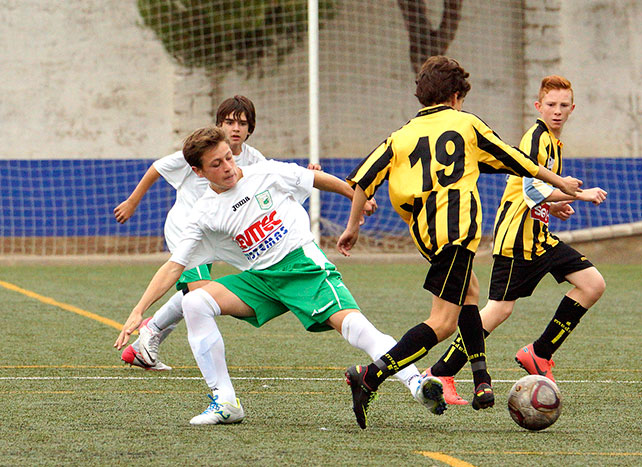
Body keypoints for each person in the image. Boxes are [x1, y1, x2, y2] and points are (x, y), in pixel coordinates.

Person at [114, 126, 446, 427]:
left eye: (228, 157)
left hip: (302, 268)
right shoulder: (204, 211)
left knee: (355, 327)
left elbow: (315, 179)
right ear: (198, 172)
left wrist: (354, 198)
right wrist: (139, 310)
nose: (228, 167)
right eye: (216, 164)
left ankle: (417, 384)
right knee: (195, 302)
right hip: (260, 279)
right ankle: (226, 402)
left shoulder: (266, 172)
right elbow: (175, 265)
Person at [336, 56, 583, 427]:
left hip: (425, 234)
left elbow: (362, 180)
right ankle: (369, 376)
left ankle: (482, 381)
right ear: (455, 97)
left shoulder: (401, 135)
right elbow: (516, 159)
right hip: (457, 229)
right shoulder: (466, 123)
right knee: (442, 323)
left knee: (470, 292)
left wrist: (353, 226)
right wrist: (561, 182)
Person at [114, 96, 320, 370]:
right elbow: (157, 168)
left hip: (221, 235)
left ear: (250, 128)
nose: (235, 128)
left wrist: (307, 178)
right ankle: (153, 332)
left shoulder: (254, 159)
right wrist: (132, 202)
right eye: (229, 122)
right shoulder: (199, 152)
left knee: (219, 291)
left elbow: (272, 189)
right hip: (187, 229)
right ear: (219, 125)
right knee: (202, 294)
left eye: (242, 123)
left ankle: (148, 338)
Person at [475, 75, 606, 383]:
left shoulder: (553, 142)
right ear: (538, 106)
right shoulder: (536, 138)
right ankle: (441, 372)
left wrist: (554, 205)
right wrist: (580, 194)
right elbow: (531, 190)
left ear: (572, 108)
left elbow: (533, 190)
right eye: (551, 104)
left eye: (564, 105)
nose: (557, 110)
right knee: (498, 311)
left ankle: (540, 353)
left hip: (539, 238)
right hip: (517, 239)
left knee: (592, 284)